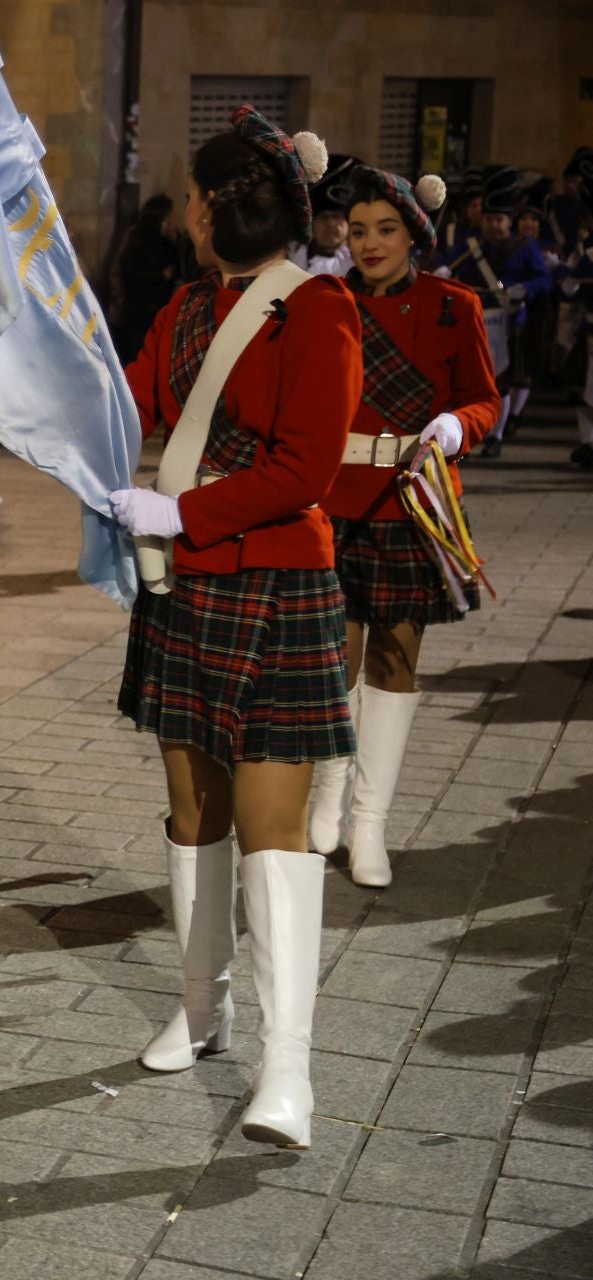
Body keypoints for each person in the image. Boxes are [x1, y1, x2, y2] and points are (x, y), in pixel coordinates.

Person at [108, 107, 362, 1150]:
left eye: (199, 198)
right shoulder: (181, 310)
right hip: (184, 588)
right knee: (191, 806)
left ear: (216, 207)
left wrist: (182, 510)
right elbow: (125, 405)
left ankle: (288, 1067)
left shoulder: (320, 310)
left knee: (275, 824)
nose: (194, 215)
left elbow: (306, 469)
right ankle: (201, 1005)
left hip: (275, 585)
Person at [306, 166, 499, 888]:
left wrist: (454, 424)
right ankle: (327, 798)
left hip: (407, 503)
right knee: (334, 662)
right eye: (357, 230)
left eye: (385, 229)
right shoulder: (323, 304)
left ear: (413, 233)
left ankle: (370, 827)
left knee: (393, 666)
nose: (369, 243)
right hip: (328, 504)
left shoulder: (454, 306)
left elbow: (484, 399)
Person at [442, 164, 552, 454]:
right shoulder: (471, 246)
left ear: (509, 221)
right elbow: (451, 271)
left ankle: (497, 436)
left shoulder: (525, 246)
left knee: (505, 379)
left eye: (499, 219)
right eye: (489, 219)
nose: (493, 225)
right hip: (477, 323)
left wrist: (525, 289)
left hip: (511, 321)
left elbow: (544, 279)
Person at [113, 194, 181, 362]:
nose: (170, 223)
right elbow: (129, 274)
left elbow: (177, 268)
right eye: (167, 218)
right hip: (139, 313)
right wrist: (159, 276)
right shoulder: (138, 239)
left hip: (158, 312)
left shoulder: (167, 241)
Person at [287, 154, 358, 276]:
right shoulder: (289, 257)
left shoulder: (359, 260)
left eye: (336, 216)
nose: (330, 224)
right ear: (312, 222)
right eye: (323, 217)